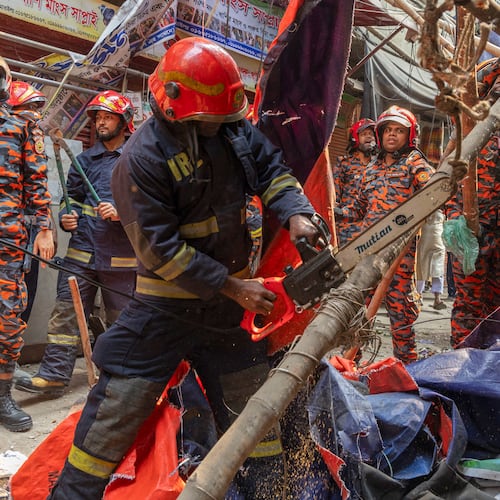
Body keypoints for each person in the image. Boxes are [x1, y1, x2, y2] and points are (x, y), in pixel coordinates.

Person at [47, 37, 318, 499]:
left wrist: (296, 212)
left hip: (225, 315)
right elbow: (160, 252)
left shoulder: (231, 127)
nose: (219, 129)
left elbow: (271, 169)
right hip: (164, 311)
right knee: (109, 424)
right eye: (209, 122)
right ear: (171, 106)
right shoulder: (139, 160)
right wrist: (234, 287)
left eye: (225, 120)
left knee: (256, 425)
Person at [16, 90, 137, 397]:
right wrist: (66, 217)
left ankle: (121, 379)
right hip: (81, 252)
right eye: (97, 117)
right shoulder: (84, 160)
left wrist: (122, 213)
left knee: (122, 321)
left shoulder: (137, 160)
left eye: (108, 117)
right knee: (65, 315)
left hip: (121, 259)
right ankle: (55, 375)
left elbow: (155, 207)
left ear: (124, 121)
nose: (101, 122)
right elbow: (72, 200)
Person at [345, 105, 435, 364]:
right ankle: (352, 361)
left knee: (400, 311)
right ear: (380, 134)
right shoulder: (371, 169)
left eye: (399, 131)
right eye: (388, 130)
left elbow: (434, 190)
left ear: (410, 135)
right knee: (358, 309)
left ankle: (406, 366)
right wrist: (334, 213)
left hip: (401, 253)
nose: (392, 135)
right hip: (369, 251)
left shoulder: (414, 162)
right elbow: (358, 209)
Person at [0, 58, 54, 432]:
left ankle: (2, 397)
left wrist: (45, 228)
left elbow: (37, 179)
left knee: (6, 318)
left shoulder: (19, 124)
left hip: (8, 240)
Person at [444, 57, 499, 348]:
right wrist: (456, 218)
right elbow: (447, 176)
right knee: (468, 306)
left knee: (497, 309)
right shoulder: (471, 137)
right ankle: (461, 371)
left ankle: (490, 372)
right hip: (475, 228)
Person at [332, 118, 377, 246]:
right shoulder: (344, 163)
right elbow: (334, 195)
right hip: (347, 226)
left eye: (371, 134)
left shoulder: (380, 166)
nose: (369, 137)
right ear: (355, 139)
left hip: (372, 227)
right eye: (364, 134)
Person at [416, 208, 447, 310]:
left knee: (422, 268)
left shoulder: (424, 205)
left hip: (428, 240)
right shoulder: (443, 207)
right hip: (437, 240)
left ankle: (418, 297)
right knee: (437, 269)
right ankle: (435, 298)